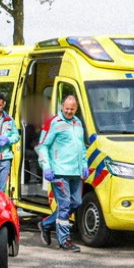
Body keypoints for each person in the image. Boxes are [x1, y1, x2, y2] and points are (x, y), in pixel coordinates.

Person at [36, 94, 88, 252]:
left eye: (72, 109)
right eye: (67, 109)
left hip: (75, 172)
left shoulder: (78, 123)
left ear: (76, 108)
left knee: (76, 203)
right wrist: (46, 167)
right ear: (62, 107)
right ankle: (64, 241)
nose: (69, 112)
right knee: (64, 205)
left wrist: (84, 165)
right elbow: (42, 146)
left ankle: (45, 224)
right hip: (59, 171)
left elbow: (81, 147)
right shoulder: (54, 122)